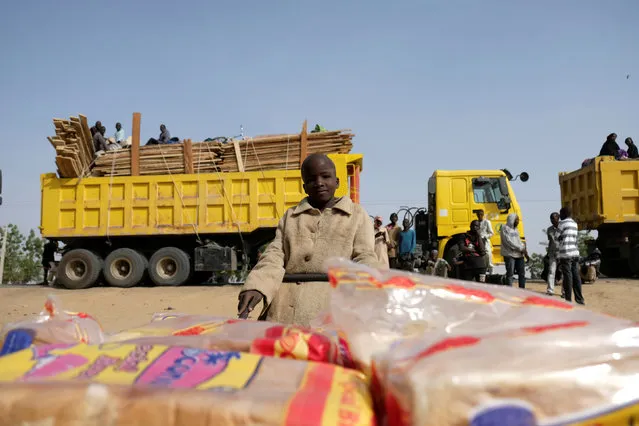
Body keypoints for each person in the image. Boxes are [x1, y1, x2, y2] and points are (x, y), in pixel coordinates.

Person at [236, 154, 380, 326]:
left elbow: (364, 256)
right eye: (312, 179)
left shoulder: (356, 215)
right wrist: (257, 286)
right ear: (304, 186)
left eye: (325, 176)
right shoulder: (291, 216)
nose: (319, 183)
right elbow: (274, 255)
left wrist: (374, 284)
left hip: (333, 311)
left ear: (337, 181)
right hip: (285, 312)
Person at [558, 206, 585, 305]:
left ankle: (568, 300)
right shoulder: (574, 224)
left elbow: (557, 236)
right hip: (575, 252)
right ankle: (580, 299)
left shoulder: (562, 223)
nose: (560, 216)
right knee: (576, 276)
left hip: (565, 253)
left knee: (567, 276)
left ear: (564, 214)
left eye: (560, 214)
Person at [500, 213, 528, 288]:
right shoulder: (504, 228)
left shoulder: (516, 230)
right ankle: (510, 290)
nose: (518, 221)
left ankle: (522, 290)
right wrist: (520, 248)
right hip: (509, 254)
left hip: (519, 254)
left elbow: (519, 241)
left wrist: (523, 248)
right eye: (517, 220)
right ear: (512, 220)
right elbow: (508, 242)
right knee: (510, 274)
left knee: (521, 273)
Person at [546, 212, 561, 295]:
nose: (552, 220)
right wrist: (548, 253)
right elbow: (550, 242)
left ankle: (564, 291)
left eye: (554, 219)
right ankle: (550, 290)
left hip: (562, 253)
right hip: (552, 253)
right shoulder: (549, 230)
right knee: (551, 271)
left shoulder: (562, 228)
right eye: (551, 219)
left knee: (564, 273)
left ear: (558, 218)